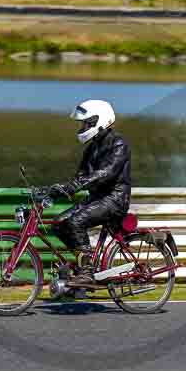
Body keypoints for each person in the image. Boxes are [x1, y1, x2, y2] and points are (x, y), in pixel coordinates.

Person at [45, 100, 131, 286]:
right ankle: (83, 264)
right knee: (59, 223)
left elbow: (107, 172)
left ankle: (87, 272)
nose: (83, 127)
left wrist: (79, 184)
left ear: (98, 121)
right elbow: (80, 177)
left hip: (114, 199)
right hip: (97, 198)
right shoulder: (92, 148)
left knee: (75, 222)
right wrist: (57, 190)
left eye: (86, 123)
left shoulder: (118, 143)